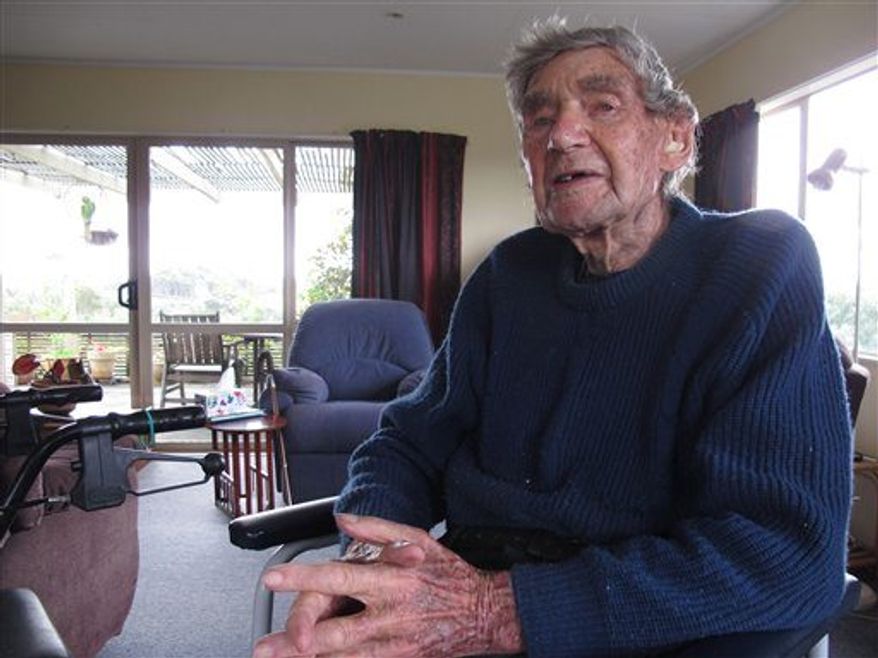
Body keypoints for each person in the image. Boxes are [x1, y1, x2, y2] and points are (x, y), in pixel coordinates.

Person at [254, 17, 853, 658]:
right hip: (462, 588)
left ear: (674, 137)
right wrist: (369, 556)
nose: (562, 136)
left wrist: (495, 612)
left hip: (623, 622)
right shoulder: (509, 275)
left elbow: (787, 553)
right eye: (538, 121)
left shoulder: (760, 267)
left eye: (603, 105)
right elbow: (408, 442)